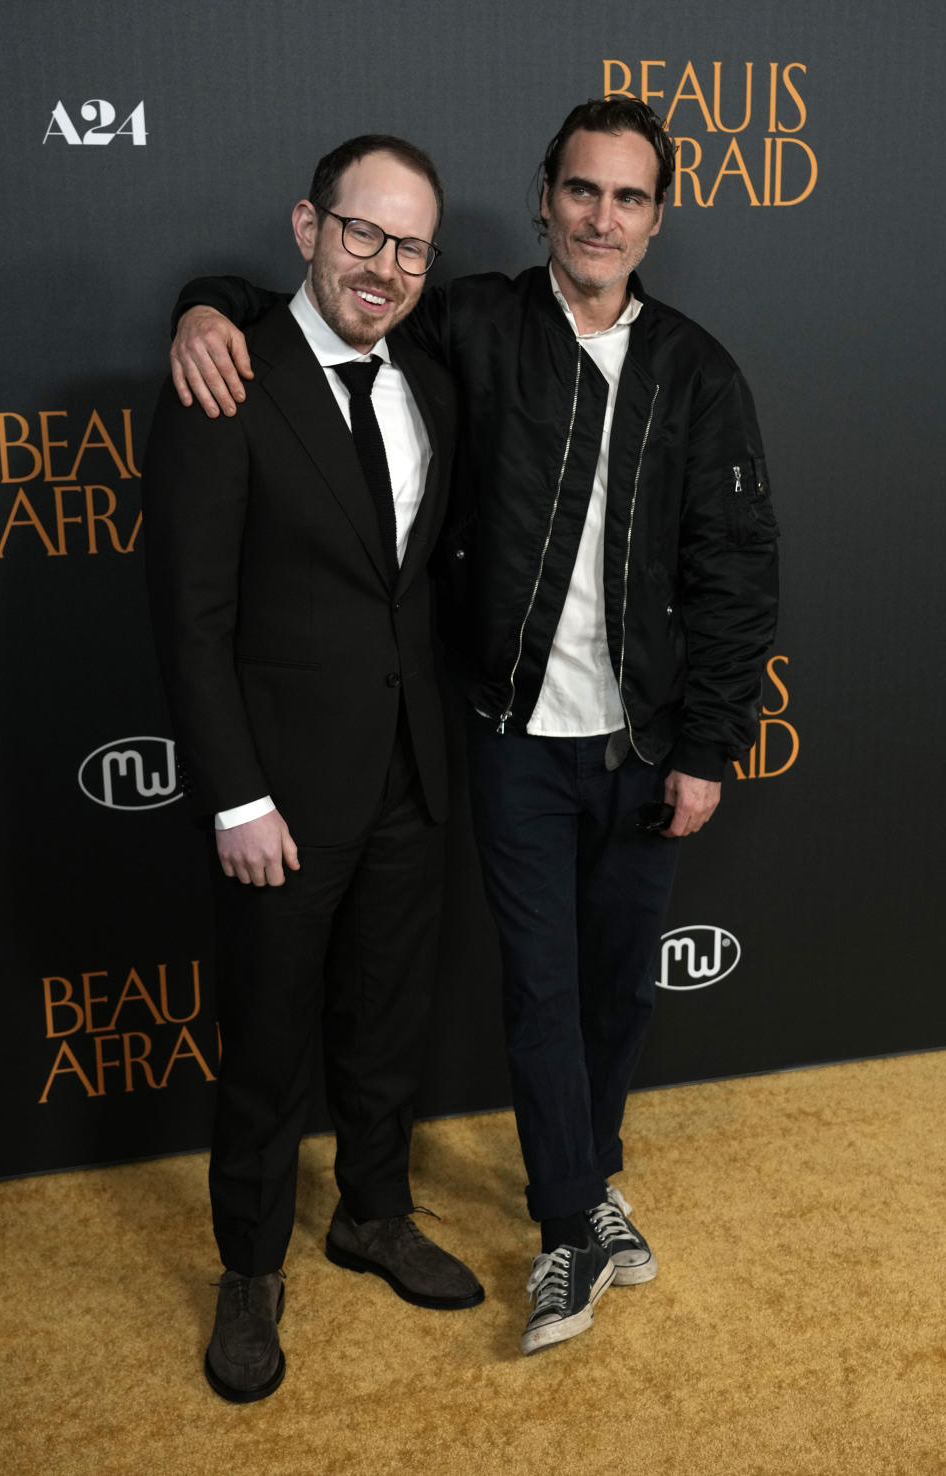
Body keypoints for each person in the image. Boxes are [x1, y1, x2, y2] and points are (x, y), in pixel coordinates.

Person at [168, 98, 779, 1357]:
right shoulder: (475, 326)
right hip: (501, 742)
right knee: (522, 996)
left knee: (596, 993)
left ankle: (540, 1188)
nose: (602, 218)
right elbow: (319, 312)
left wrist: (712, 741)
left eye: (629, 198)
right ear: (546, 195)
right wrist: (204, 298)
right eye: (582, 192)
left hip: (634, 749)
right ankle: (551, 1227)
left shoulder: (696, 371)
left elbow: (736, 568)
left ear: (657, 216)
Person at [143, 134, 484, 1405]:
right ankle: (249, 1269)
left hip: (409, 773)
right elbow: (189, 614)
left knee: (386, 1019)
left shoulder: (432, 384)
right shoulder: (224, 372)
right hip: (277, 795)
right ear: (307, 226)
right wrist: (234, 792)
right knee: (270, 1043)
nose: (383, 267)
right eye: (361, 234)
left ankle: (373, 1213)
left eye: (410, 247)